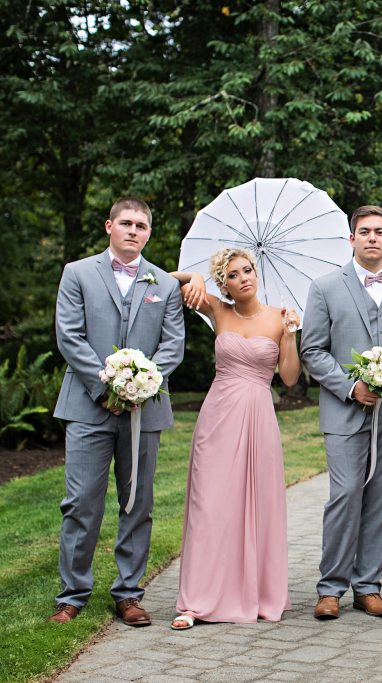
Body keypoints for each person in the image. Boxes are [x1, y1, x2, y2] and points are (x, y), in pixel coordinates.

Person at [50, 197, 186, 626]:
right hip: (88, 407)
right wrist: (108, 385)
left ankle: (129, 593)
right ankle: (72, 594)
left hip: (144, 411)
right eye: (125, 223)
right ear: (110, 226)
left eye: (141, 225)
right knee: (81, 503)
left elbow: (172, 346)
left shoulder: (164, 284)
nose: (133, 230)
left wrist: (141, 385)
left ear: (149, 233)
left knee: (137, 503)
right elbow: (69, 336)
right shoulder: (77, 273)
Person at [301, 205, 382, 620]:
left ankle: (368, 585)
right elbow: (312, 351)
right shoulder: (324, 287)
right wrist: (350, 386)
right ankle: (330, 588)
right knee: (345, 494)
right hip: (344, 409)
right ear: (351, 239)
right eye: (364, 231)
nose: (372, 237)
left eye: (380, 231)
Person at [166, 248, 301, 629]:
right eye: (233, 274)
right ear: (223, 283)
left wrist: (290, 336)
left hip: (258, 417)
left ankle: (254, 592)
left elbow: (289, 378)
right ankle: (196, 602)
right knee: (209, 505)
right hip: (218, 416)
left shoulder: (280, 317)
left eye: (248, 270)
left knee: (257, 504)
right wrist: (193, 277)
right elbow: (160, 279)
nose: (243, 277)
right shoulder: (218, 310)